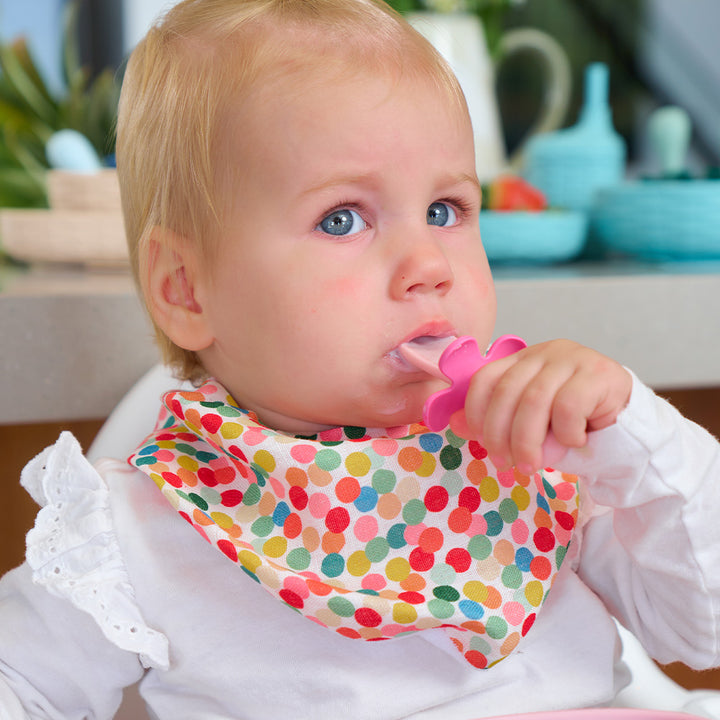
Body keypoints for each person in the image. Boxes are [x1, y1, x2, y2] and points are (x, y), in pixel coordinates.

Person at [1, 0, 719, 718]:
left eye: (445, 210)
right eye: (342, 219)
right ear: (186, 290)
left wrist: (630, 432)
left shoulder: (540, 456)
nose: (427, 264)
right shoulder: (134, 533)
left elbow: (704, 626)